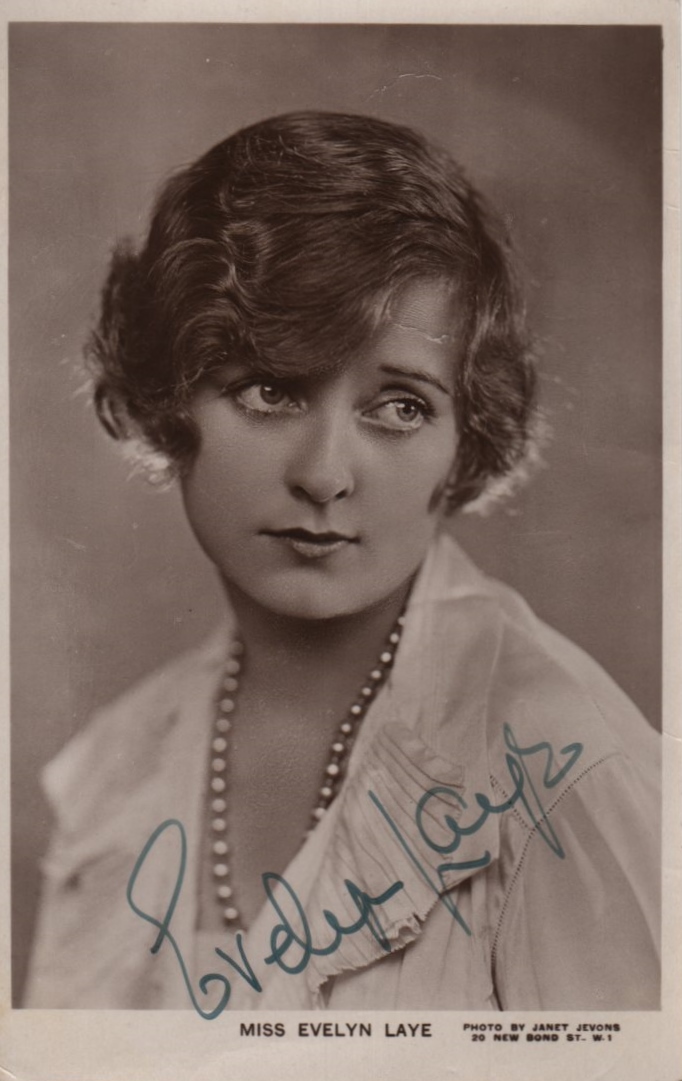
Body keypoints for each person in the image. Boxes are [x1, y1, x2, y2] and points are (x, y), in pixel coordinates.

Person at [24, 111, 660, 1013]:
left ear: (463, 440)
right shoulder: (116, 769)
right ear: (171, 407)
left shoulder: (564, 768)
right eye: (270, 389)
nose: (323, 475)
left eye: (398, 407)